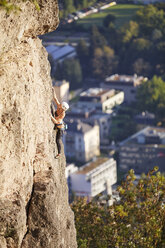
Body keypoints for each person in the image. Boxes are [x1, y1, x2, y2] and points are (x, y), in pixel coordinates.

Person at [51, 88, 69, 159]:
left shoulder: (62, 114)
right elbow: (55, 99)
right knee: (57, 140)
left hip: (60, 128)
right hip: (58, 124)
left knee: (57, 140)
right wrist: (53, 90)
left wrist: (50, 116)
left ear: (63, 108)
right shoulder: (59, 107)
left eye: (61, 106)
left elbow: (55, 121)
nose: (59, 106)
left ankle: (59, 153)